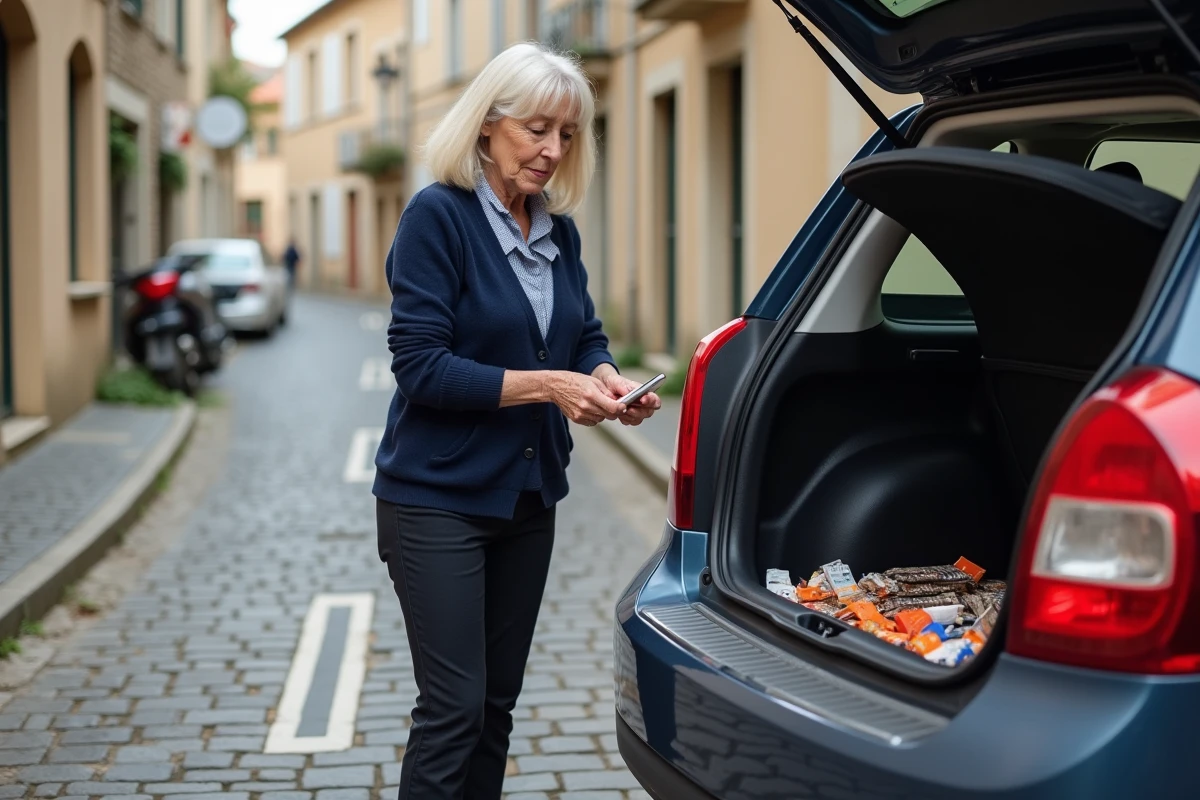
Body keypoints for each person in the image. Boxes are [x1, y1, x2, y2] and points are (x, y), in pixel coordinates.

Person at [372, 42, 660, 799]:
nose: (553, 150)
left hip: (528, 501)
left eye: (567, 134)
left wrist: (605, 376)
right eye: (537, 130)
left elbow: (583, 332)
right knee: (453, 710)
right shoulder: (438, 217)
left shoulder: (556, 229)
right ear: (487, 124)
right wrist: (550, 386)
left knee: (495, 708)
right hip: (435, 500)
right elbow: (421, 367)